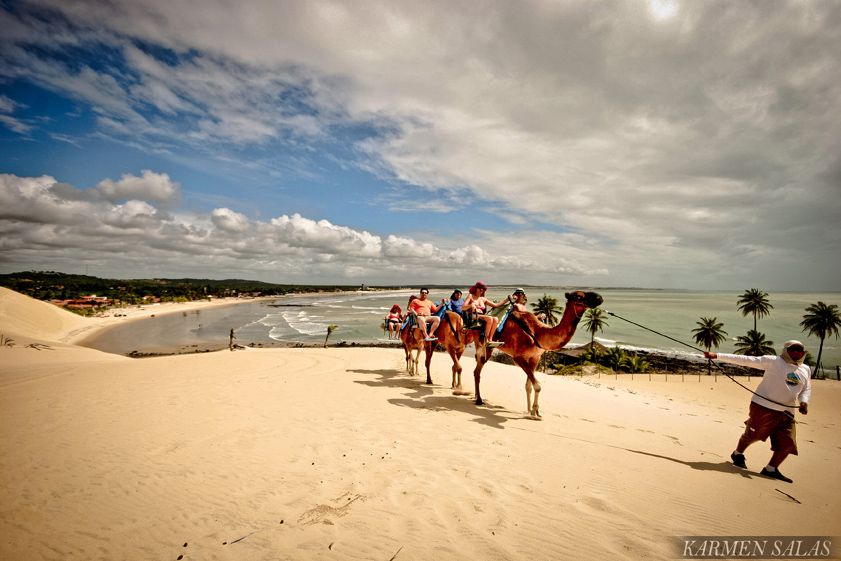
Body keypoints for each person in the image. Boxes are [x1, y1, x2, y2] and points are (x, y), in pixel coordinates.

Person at [705, 340, 812, 483]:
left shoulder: (805, 369)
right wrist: (717, 355)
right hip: (763, 406)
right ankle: (737, 453)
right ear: (786, 350)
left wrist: (804, 402)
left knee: (788, 444)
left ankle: (771, 469)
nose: (796, 352)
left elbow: (806, 389)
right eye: (792, 349)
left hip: (787, 412)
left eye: (799, 350)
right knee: (753, 435)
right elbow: (746, 360)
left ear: (803, 352)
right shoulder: (774, 361)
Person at [462, 282, 506, 347]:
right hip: (472, 315)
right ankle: (486, 339)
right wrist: (471, 305)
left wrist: (507, 299)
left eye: (483, 288)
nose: (481, 290)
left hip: (481, 316)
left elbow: (496, 305)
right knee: (489, 318)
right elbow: (463, 307)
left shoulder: (483, 299)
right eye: (480, 288)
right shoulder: (471, 296)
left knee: (496, 319)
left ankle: (490, 339)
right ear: (476, 288)